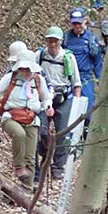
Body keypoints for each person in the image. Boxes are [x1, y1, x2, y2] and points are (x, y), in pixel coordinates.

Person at [0, 50, 52, 189]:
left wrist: (48, 106)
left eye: (28, 69)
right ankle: (18, 166)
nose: (25, 72)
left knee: (31, 156)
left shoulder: (39, 80)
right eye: (23, 68)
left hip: (32, 118)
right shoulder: (11, 78)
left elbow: (46, 98)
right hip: (11, 116)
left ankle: (26, 187)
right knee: (19, 134)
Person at [36, 26, 82, 180]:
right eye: (50, 40)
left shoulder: (68, 58)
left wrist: (76, 105)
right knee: (41, 130)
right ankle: (45, 157)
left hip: (63, 98)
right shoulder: (40, 55)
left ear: (61, 41)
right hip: (43, 97)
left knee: (63, 132)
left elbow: (76, 83)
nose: (52, 43)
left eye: (55, 40)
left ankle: (57, 166)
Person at [64, 7, 103, 121]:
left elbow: (97, 62)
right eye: (74, 23)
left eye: (79, 23)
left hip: (85, 79)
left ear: (85, 21)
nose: (77, 26)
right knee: (69, 112)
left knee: (88, 113)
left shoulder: (91, 39)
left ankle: (86, 137)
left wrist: (100, 80)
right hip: (68, 79)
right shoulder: (65, 39)